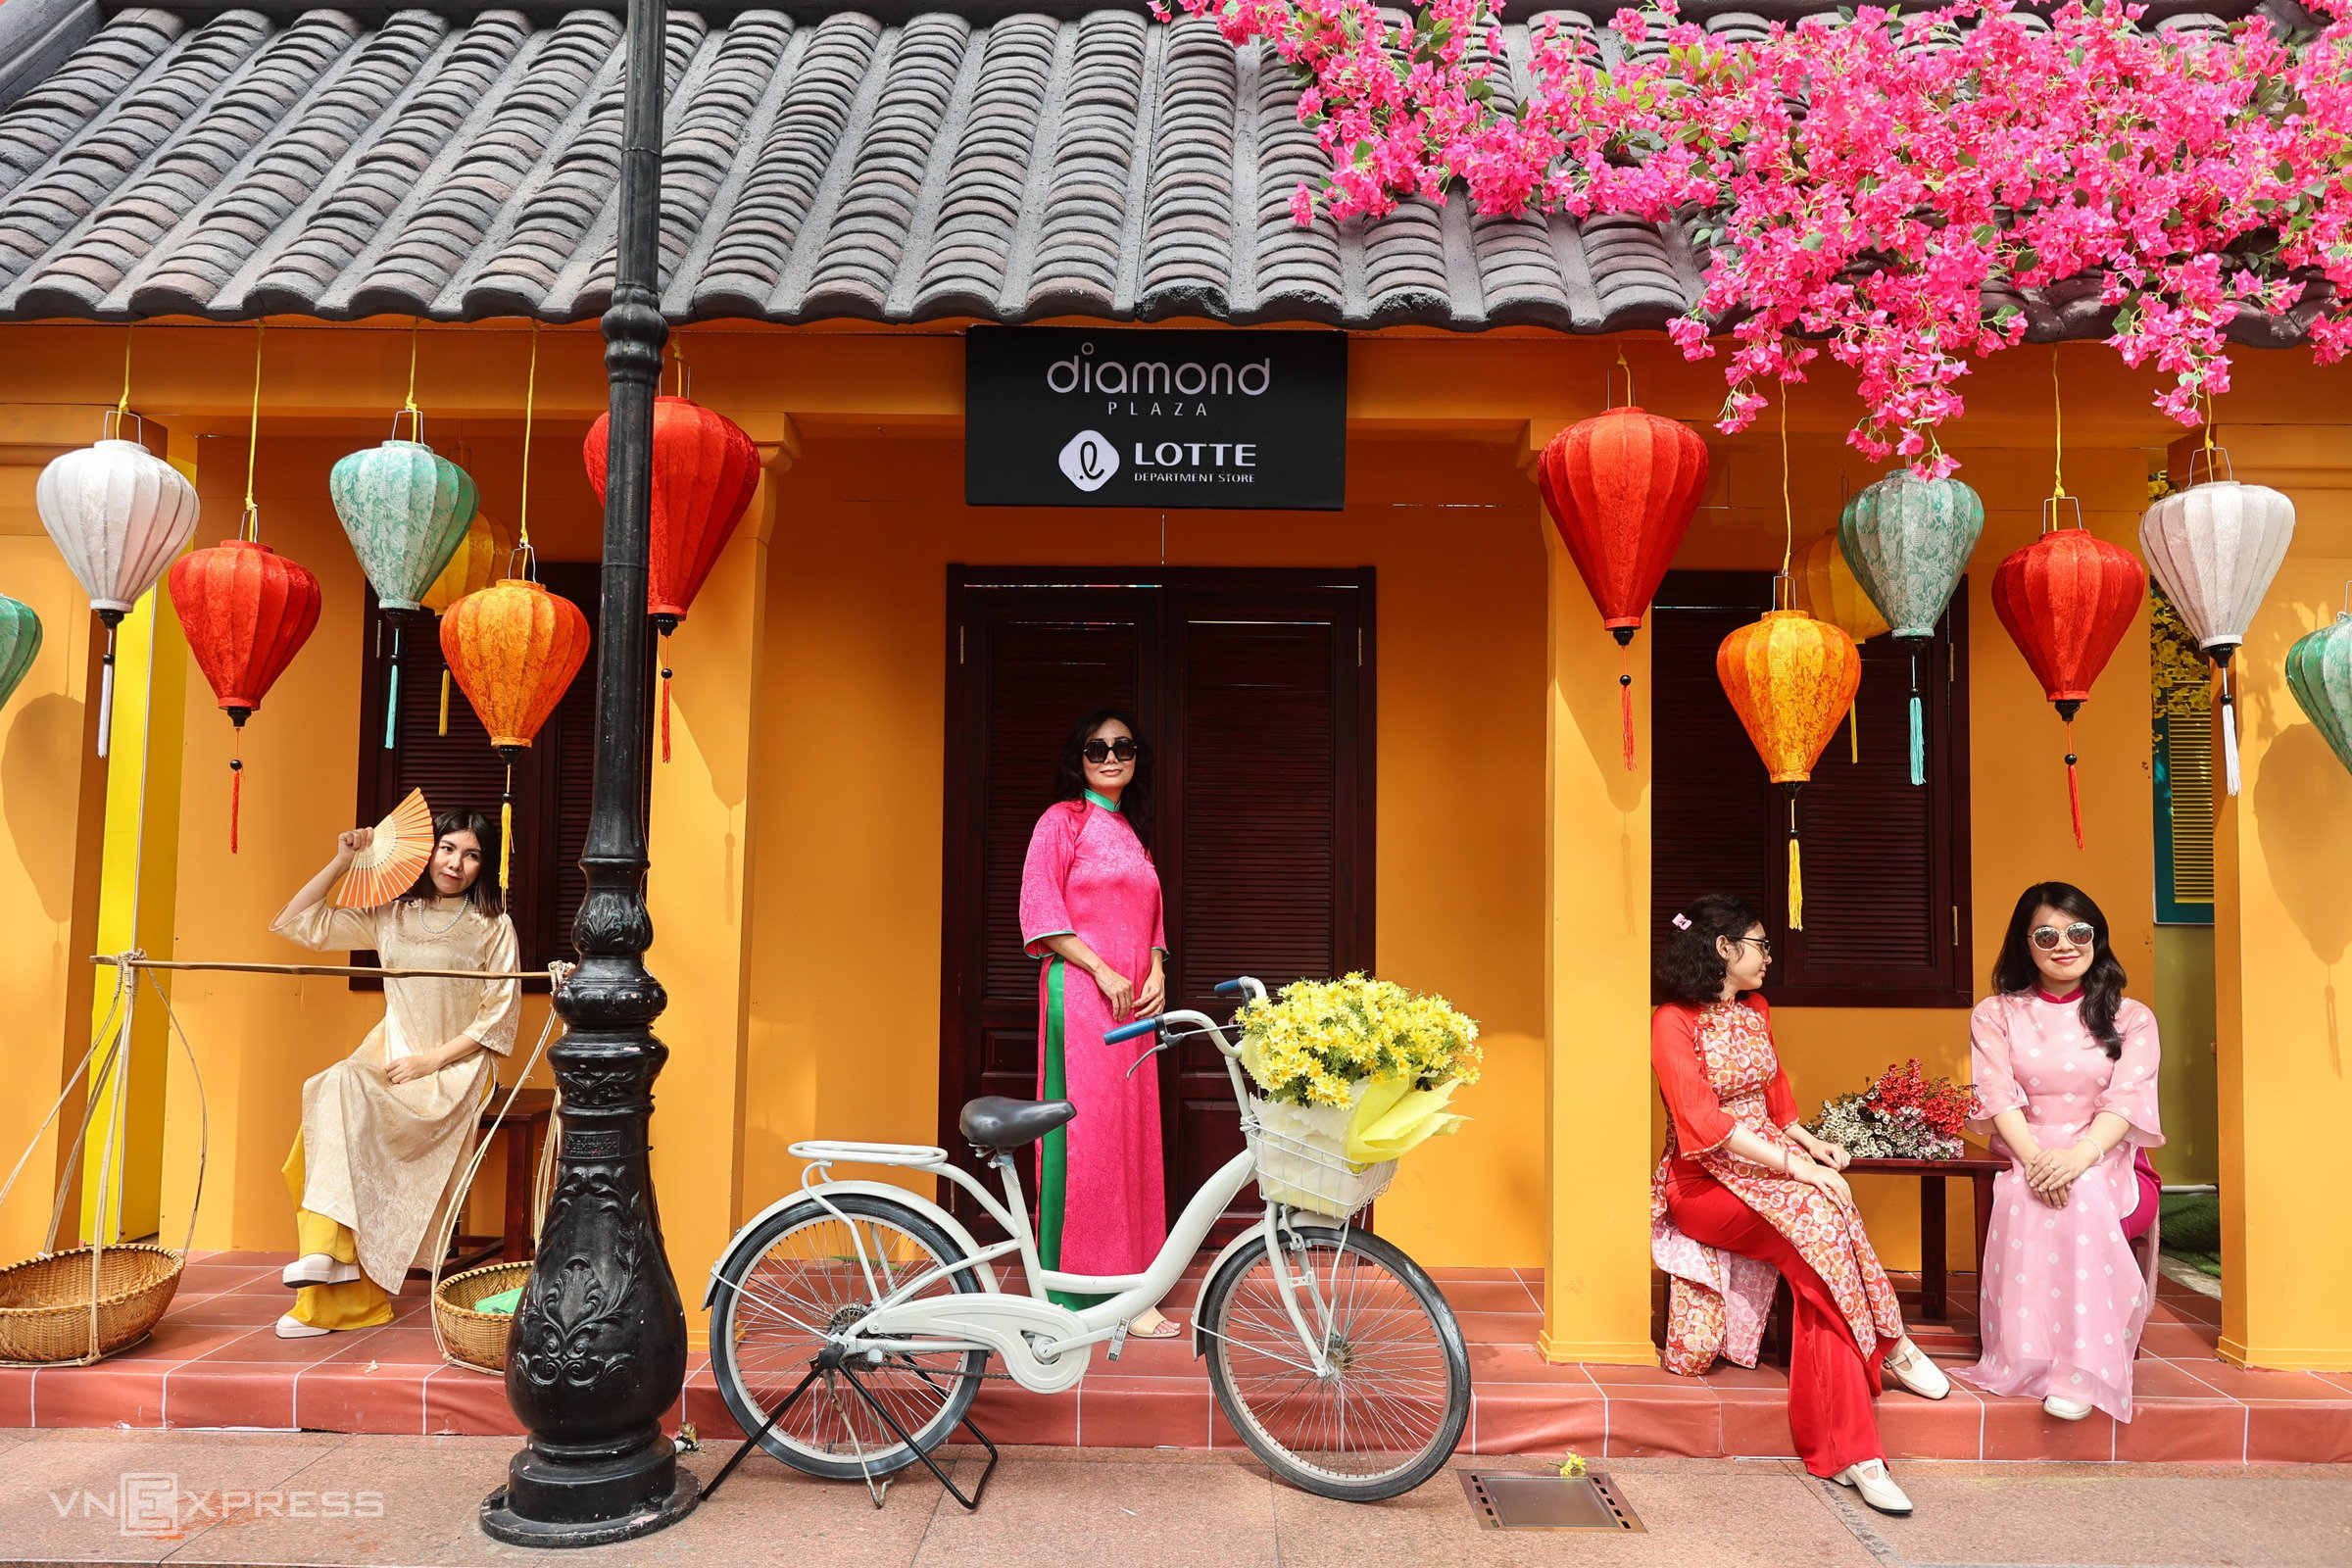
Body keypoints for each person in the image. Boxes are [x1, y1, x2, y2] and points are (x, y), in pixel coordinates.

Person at [1650, 894, 1949, 1517]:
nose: (1768, 956)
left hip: (1769, 1168)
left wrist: (1810, 1143)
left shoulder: (1756, 1008)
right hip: (1704, 1183)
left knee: (1818, 1272)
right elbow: (1700, 1121)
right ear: (1725, 949)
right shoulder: (1673, 1020)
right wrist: (1797, 1167)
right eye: (1760, 944)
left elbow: (1775, 1095)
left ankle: (1853, 1453)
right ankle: (1890, 1340)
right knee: (1822, 1213)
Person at [268, 810, 520, 1339]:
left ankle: (344, 1295)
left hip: (456, 1068)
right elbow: (298, 922)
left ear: (485, 865)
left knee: (356, 1121)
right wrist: (341, 860)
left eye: (472, 855)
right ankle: (327, 1258)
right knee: (336, 1085)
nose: (456, 863)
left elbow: (498, 1017)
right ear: (428, 852)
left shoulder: (492, 926)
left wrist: (432, 1061)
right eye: (447, 848)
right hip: (389, 1055)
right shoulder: (392, 914)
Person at [1954, 883, 2163, 1422]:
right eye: (2046, 934)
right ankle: (2030, 1360)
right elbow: (1997, 1096)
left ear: (2097, 937)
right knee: (2031, 1190)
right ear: (2025, 944)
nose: (2063, 944)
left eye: (2078, 931)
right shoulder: (1996, 1013)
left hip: (2106, 1156)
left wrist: (2077, 1157)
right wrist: (2037, 1159)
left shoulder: (2132, 1017)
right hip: (2024, 1152)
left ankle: (2080, 1371)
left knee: (2083, 1190)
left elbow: (2127, 1100)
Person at [1017, 709, 1174, 1334]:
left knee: (1135, 1140)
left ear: (1137, 757)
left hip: (1136, 1005)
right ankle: (1086, 1291)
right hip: (1082, 999)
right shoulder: (1062, 822)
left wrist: (1157, 969)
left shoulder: (1134, 832)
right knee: (1093, 1141)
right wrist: (1104, 971)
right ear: (1077, 758)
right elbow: (1039, 910)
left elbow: (1152, 920)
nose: (1110, 757)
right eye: (1096, 748)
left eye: (1123, 746)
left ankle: (1137, 1284)